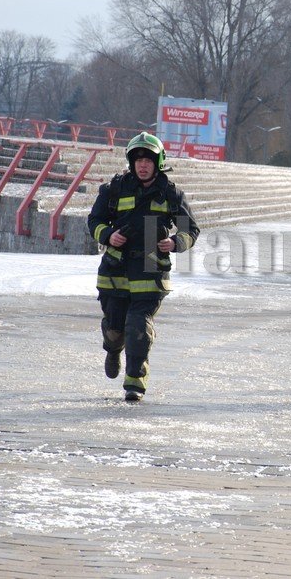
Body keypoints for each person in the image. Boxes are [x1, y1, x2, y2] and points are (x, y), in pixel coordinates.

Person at [87, 132, 200, 402]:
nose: (142, 164)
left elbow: (190, 230)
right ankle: (113, 350)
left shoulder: (171, 193)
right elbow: (94, 220)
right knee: (116, 328)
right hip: (115, 267)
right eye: (137, 159)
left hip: (151, 266)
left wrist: (175, 243)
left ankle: (134, 383)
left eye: (148, 159)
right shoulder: (113, 189)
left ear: (158, 162)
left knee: (138, 325)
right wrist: (107, 236)